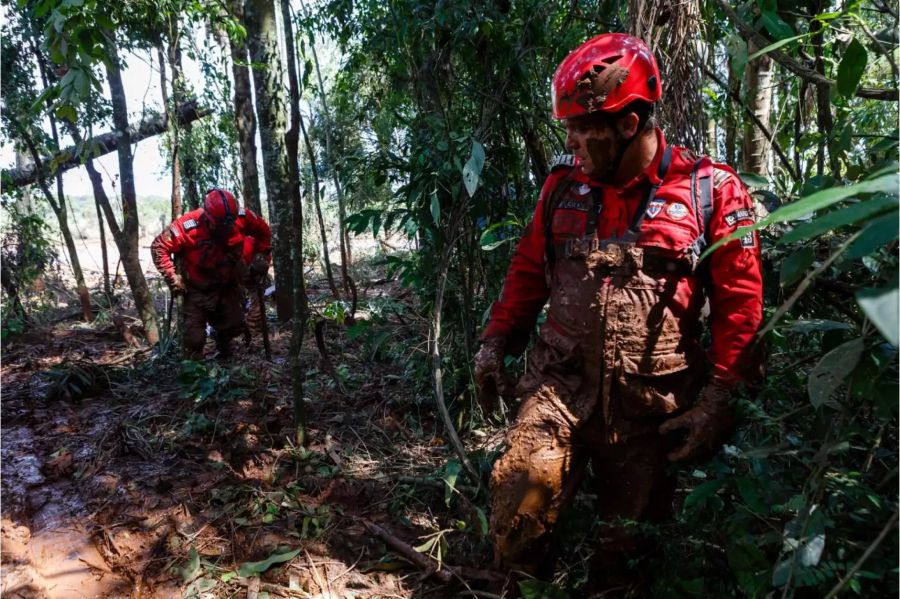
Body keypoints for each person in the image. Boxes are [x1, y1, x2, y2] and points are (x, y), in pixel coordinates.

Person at [474, 33, 763, 591]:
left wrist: (718, 402)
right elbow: (528, 271)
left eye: (584, 130)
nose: (571, 142)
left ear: (628, 125)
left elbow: (740, 307)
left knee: (625, 562)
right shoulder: (563, 187)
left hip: (649, 407)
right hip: (557, 387)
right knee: (517, 510)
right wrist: (495, 342)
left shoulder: (711, 192)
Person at [151, 188, 272, 360]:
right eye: (222, 224)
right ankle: (194, 372)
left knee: (234, 326)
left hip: (228, 285)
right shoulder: (188, 226)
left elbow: (263, 232)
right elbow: (159, 246)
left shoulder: (242, 217)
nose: (227, 228)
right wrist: (172, 277)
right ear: (209, 218)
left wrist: (262, 257)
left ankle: (224, 353)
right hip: (197, 289)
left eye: (230, 224)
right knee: (193, 338)